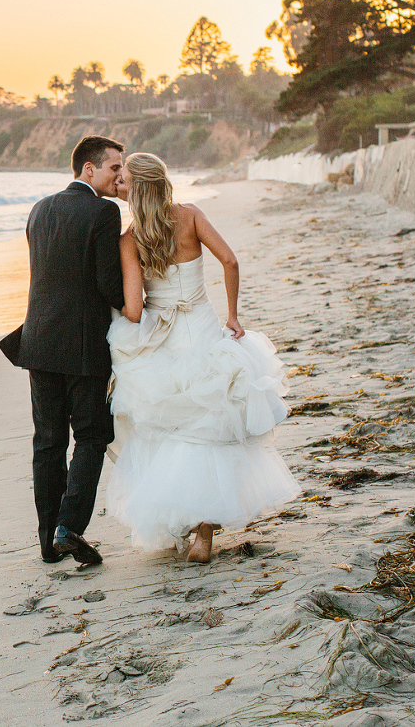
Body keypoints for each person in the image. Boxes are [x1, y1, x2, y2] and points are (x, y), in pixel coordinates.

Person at [106, 152, 299, 563]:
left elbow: (136, 310)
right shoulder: (190, 216)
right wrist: (232, 314)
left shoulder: (129, 238)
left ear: (136, 188)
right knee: (214, 425)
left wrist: (115, 312)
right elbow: (229, 260)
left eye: (123, 178)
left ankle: (182, 525)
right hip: (205, 331)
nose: (118, 183)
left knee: (171, 430)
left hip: (164, 341)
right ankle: (204, 535)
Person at [0, 136, 125, 565]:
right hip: (84, 344)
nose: (119, 177)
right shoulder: (104, 211)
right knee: (92, 434)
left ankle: (47, 544)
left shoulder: (39, 209)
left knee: (47, 443)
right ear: (88, 169)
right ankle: (69, 526)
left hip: (38, 341)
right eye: (113, 169)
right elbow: (108, 283)